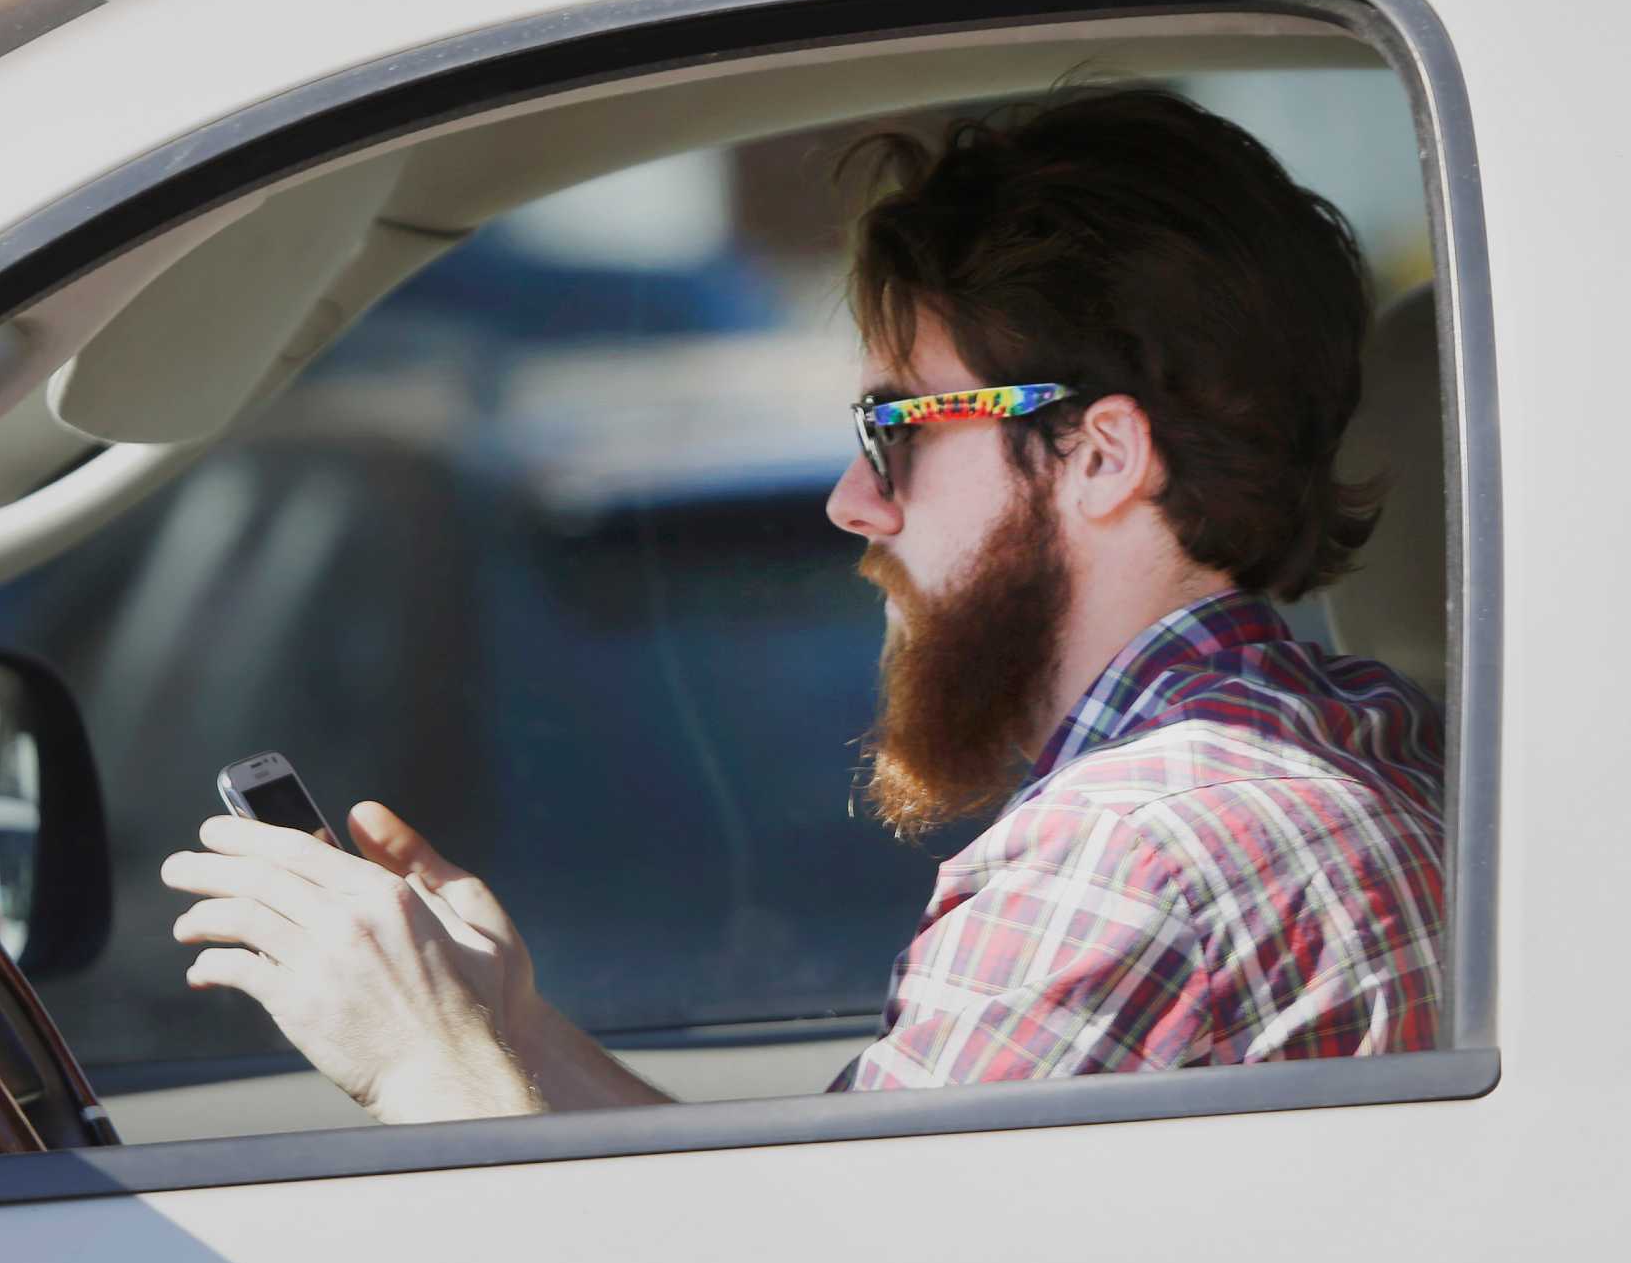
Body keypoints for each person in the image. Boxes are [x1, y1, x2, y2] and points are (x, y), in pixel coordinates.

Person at [161, 87, 1446, 1122]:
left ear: (1099, 456)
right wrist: (508, 1029)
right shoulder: (1357, 734)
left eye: (894, 425)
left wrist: (425, 1064)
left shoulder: (1124, 864)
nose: (849, 498)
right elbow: (803, 1239)